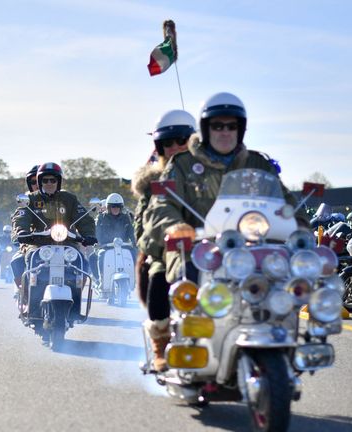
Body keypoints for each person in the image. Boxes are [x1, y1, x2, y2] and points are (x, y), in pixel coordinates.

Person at [141, 93, 308, 371]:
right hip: (200, 248)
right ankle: (185, 342)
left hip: (253, 249)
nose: (224, 132)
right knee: (181, 280)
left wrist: (299, 223)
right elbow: (161, 206)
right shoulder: (182, 164)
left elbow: (286, 202)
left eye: (231, 126)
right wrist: (176, 226)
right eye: (217, 126)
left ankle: (286, 336)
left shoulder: (257, 163)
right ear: (206, 129)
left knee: (288, 279)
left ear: (240, 129)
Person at [133, 110, 194, 310]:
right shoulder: (153, 184)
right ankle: (162, 338)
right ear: (160, 148)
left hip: (211, 252)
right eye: (168, 143)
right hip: (166, 254)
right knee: (158, 286)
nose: (175, 147)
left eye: (181, 140)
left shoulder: (210, 176)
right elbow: (142, 230)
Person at [12, 161, 97, 282]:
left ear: (59, 182)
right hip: (38, 243)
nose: (49, 183)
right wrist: (21, 231)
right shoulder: (31, 199)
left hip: (67, 242)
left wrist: (89, 235)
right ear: (40, 182)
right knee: (31, 257)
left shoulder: (69, 199)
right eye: (45, 180)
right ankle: (27, 292)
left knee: (82, 262)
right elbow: (21, 217)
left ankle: (77, 293)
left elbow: (84, 219)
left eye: (53, 180)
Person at [91, 193, 137, 286]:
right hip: (107, 247)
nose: (116, 208)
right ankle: (102, 279)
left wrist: (134, 242)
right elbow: (98, 233)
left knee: (135, 254)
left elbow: (131, 232)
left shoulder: (125, 217)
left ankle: (134, 278)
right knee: (101, 255)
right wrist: (100, 242)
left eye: (118, 206)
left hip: (124, 246)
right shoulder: (101, 217)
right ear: (108, 207)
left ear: (121, 207)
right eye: (113, 206)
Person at [10, 165, 41, 292]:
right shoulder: (26, 202)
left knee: (82, 262)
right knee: (16, 261)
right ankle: (24, 293)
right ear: (29, 184)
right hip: (32, 243)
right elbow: (19, 220)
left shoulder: (61, 201)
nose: (38, 185)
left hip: (60, 244)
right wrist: (20, 234)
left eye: (41, 181)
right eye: (34, 182)